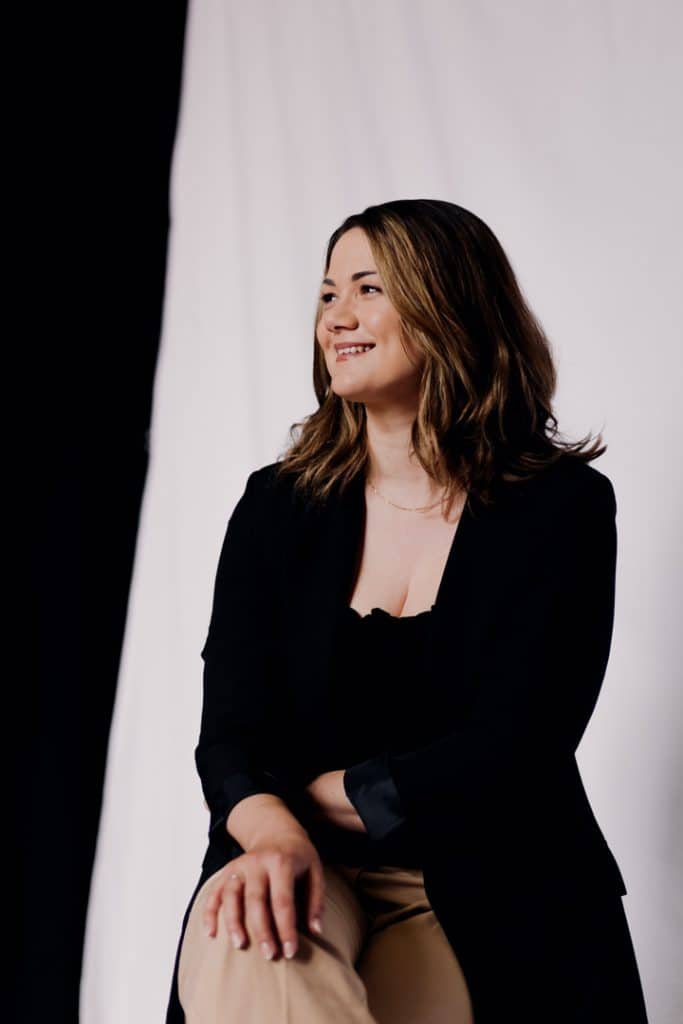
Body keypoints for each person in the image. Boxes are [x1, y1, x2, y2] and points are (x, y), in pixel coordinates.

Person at [166, 199, 649, 1023]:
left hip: (486, 884)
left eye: (368, 289)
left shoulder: (558, 508)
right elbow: (230, 735)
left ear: (448, 305)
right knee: (249, 943)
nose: (336, 317)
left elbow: (519, 741)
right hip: (296, 858)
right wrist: (277, 834)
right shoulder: (276, 507)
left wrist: (333, 791)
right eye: (327, 294)